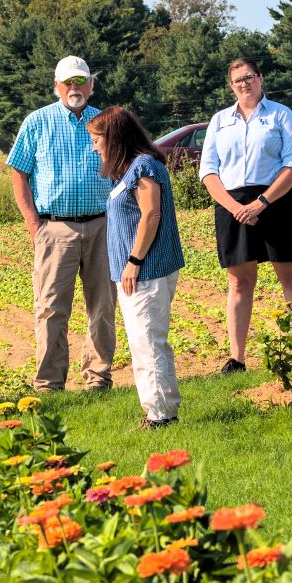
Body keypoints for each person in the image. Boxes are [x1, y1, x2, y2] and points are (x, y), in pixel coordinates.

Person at [5, 55, 116, 391]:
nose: (74, 87)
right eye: (68, 81)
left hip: (101, 225)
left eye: (80, 80)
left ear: (91, 85)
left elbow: (125, 169)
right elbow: (19, 173)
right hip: (54, 229)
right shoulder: (36, 122)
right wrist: (33, 224)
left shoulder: (106, 123)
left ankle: (98, 377)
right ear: (56, 85)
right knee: (51, 308)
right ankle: (49, 382)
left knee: (103, 307)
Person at [200, 57, 292, 373]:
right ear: (231, 86)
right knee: (238, 282)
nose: (244, 84)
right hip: (232, 206)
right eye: (238, 80)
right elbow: (208, 171)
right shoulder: (220, 121)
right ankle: (237, 359)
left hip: (277, 201)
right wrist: (235, 208)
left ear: (261, 78)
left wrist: (261, 203)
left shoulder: (280, 115)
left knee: (290, 275)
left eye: (249, 77)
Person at [88, 106, 184, 428]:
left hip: (146, 271)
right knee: (146, 341)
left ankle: (160, 415)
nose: (95, 146)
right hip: (137, 273)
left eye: (97, 139)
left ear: (115, 138)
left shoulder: (143, 167)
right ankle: (162, 409)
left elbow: (151, 215)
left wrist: (133, 262)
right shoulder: (130, 169)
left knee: (147, 341)